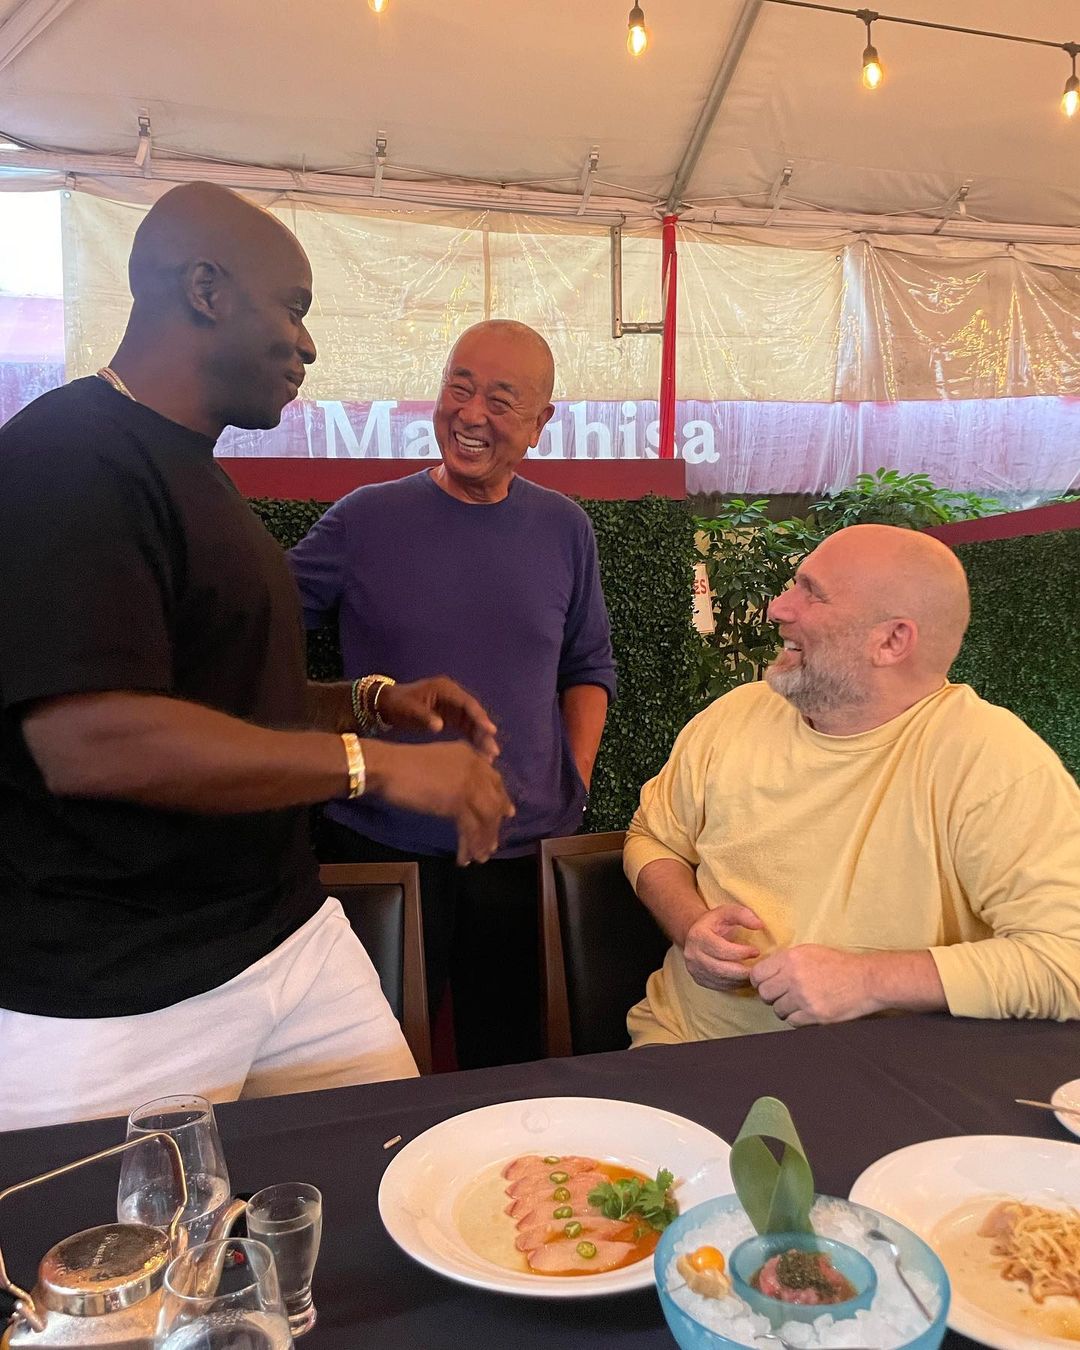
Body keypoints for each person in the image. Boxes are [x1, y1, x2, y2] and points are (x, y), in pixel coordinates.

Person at [0, 183, 515, 1131]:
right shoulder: (67, 457)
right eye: (295, 308)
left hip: (287, 940)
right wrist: (374, 766)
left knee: (391, 1175)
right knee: (130, 1237)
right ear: (206, 290)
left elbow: (222, 700)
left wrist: (369, 704)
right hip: (115, 992)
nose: (308, 345)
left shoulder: (194, 471)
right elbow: (92, 739)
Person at [288, 319, 616, 1068]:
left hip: (523, 850)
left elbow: (588, 666)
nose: (471, 415)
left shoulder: (565, 528)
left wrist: (574, 779)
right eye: (458, 389)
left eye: (500, 400)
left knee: (513, 1070)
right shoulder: (363, 519)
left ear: (540, 422)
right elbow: (255, 631)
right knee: (369, 1069)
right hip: (381, 850)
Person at [624, 523, 1080, 1045]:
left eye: (811, 593)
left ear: (891, 640)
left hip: (881, 1071)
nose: (777, 608)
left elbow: (1068, 959)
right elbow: (652, 838)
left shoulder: (989, 760)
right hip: (681, 1047)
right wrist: (690, 928)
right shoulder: (735, 715)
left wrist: (869, 980)